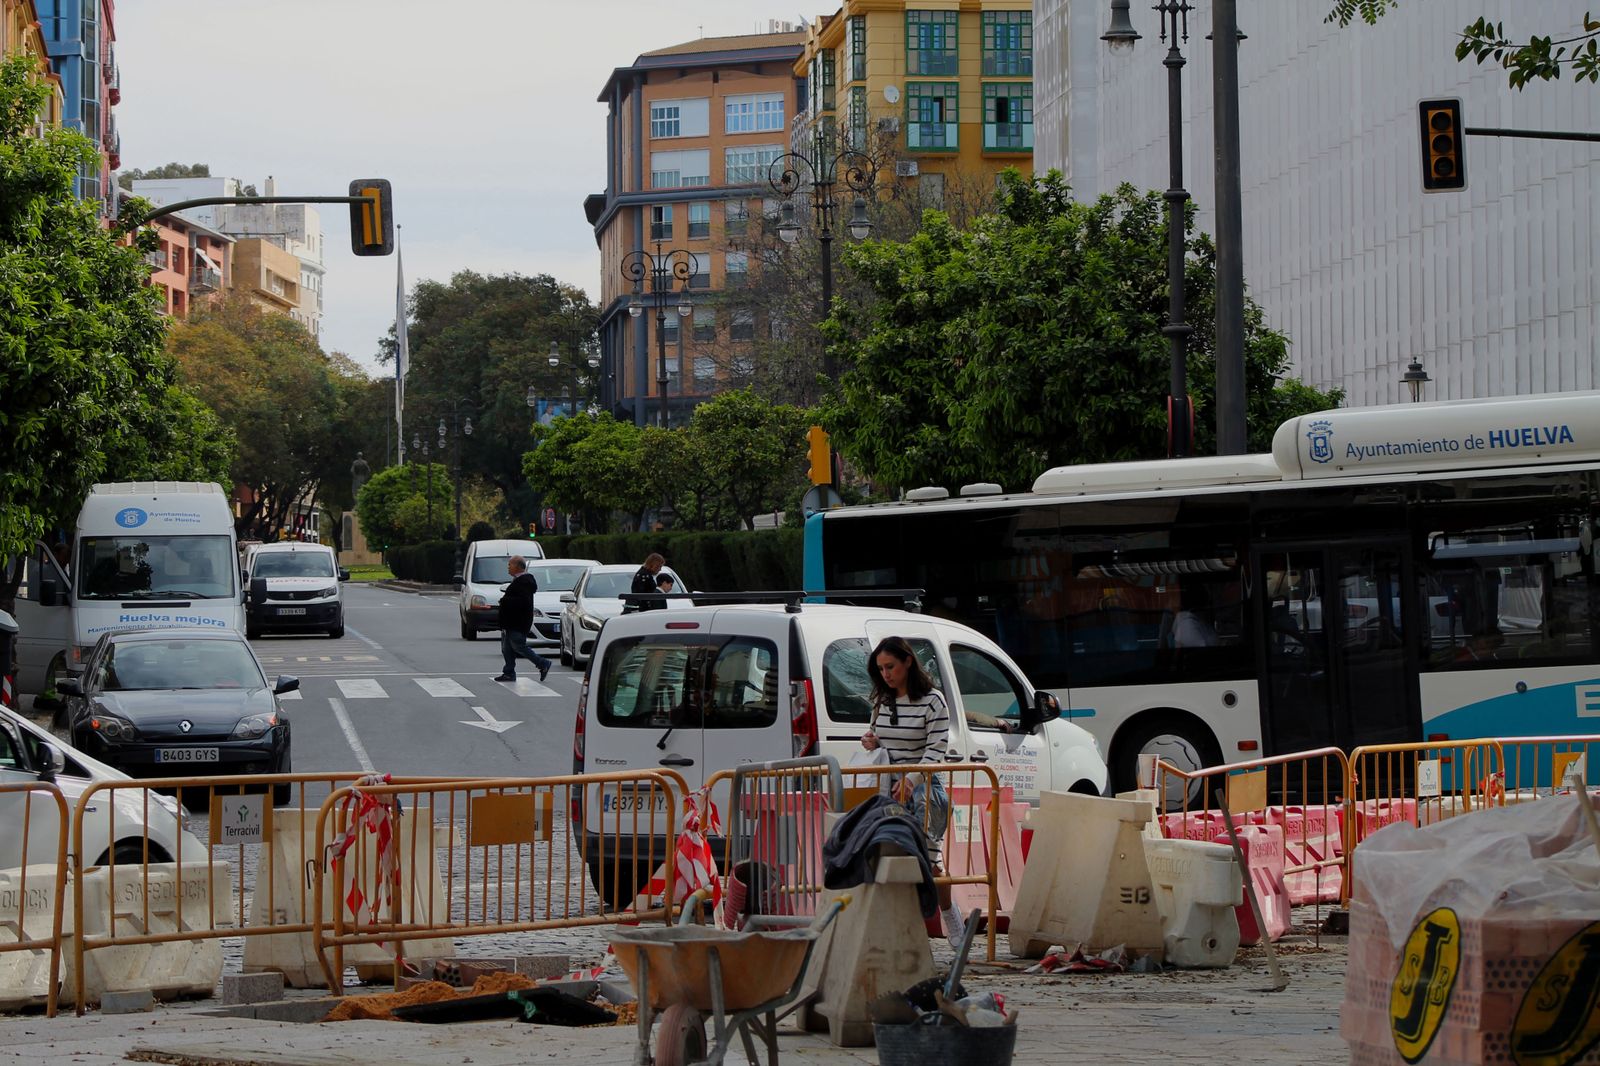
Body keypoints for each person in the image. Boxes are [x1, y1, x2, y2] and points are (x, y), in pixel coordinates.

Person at [859, 635, 965, 949]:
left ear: (907, 662)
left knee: (931, 859)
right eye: (880, 669)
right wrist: (871, 741)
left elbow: (937, 748)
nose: (885, 674)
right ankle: (902, 932)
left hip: (924, 789)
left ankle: (949, 915)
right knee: (890, 856)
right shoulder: (881, 699)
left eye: (890, 666)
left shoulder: (933, 701)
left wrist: (913, 778)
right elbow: (879, 738)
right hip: (889, 788)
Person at [493, 555, 550, 683]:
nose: (508, 567)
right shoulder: (519, 581)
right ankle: (508, 672)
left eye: (510, 564)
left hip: (517, 622)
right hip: (510, 622)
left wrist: (505, 601)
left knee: (519, 646)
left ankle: (542, 663)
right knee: (506, 648)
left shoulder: (524, 582)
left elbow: (523, 602)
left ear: (518, 566)